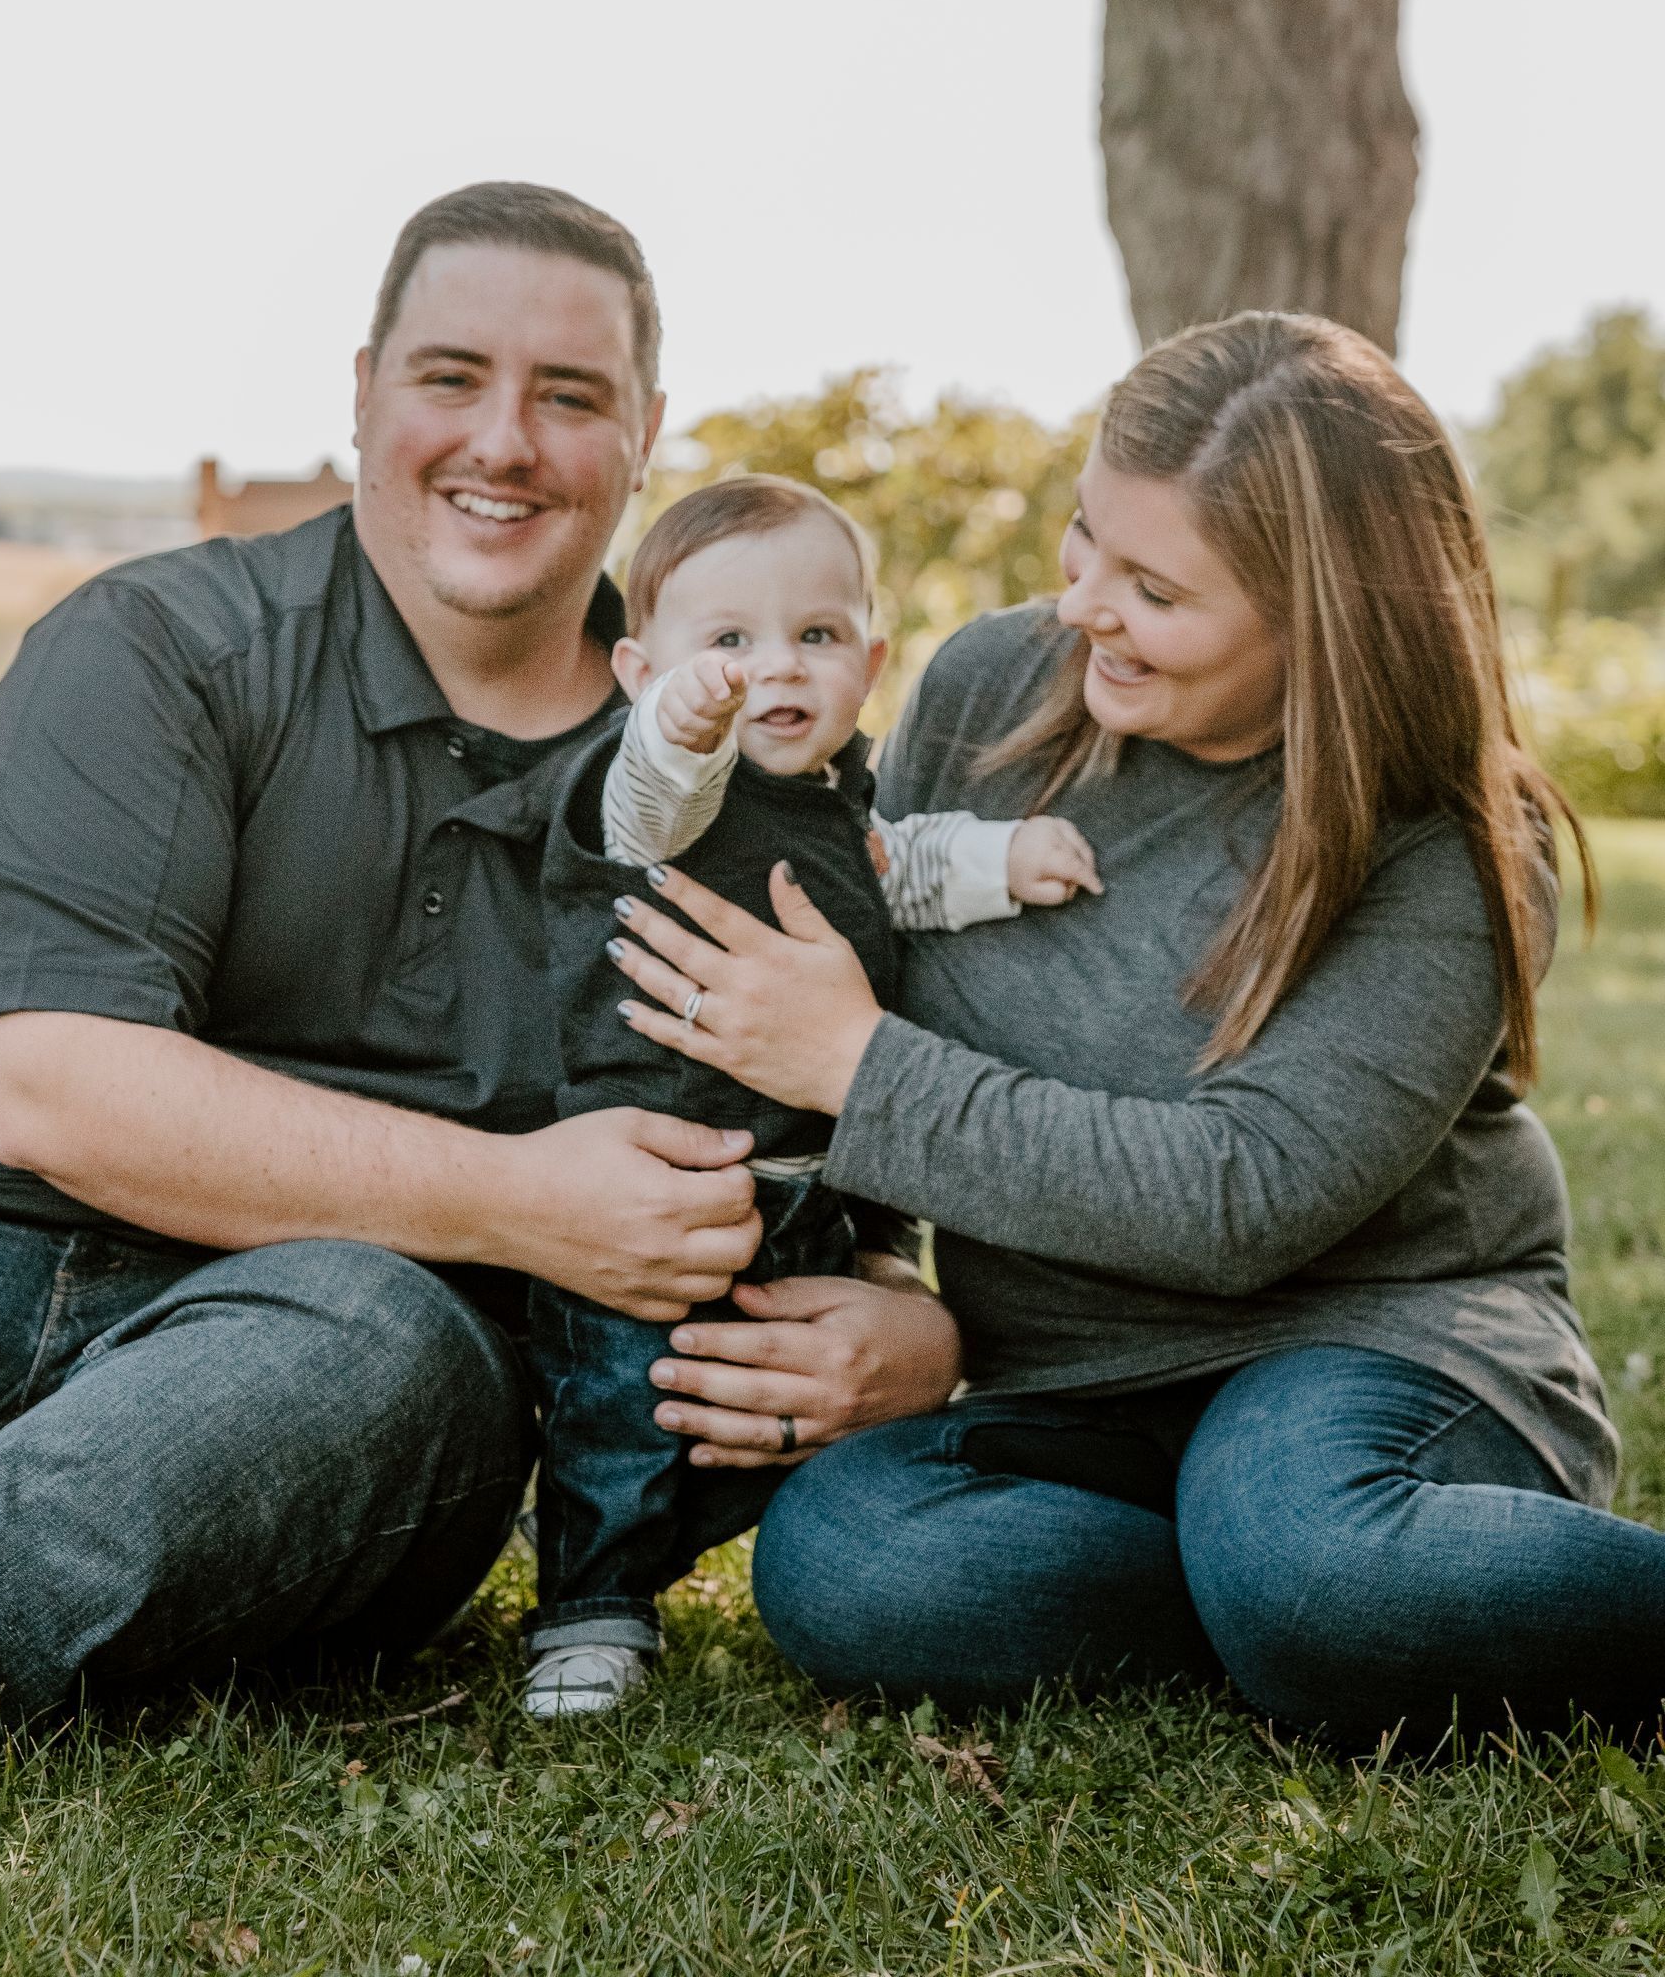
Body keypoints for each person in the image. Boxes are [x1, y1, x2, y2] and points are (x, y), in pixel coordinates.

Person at [0, 181, 961, 1764]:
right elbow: (48, 1085)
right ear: (367, 390)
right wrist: (523, 1199)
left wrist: (914, 1329)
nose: (504, 442)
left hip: (342, 1372)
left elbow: (822, 1108)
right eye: (452, 377)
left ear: (646, 430)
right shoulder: (163, 649)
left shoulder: (746, 769)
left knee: (369, 1352)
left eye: (569, 396)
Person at [609, 312, 1665, 1748]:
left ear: (1324, 625)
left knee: (1316, 1558)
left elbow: (1247, 1198)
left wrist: (856, 1066)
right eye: (1083, 542)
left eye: (1155, 587)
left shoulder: (1452, 842)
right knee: (847, 1561)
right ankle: (1294, 1607)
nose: (1084, 608)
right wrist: (893, 1293)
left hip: (1368, 1349)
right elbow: (867, 959)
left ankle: (1332, 1580)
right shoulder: (990, 688)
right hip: (1070, 1396)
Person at [522, 475, 1097, 1717]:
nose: (771, 668)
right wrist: (682, 723)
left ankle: (815, 1550)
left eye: (816, 638)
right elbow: (650, 789)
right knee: (624, 1396)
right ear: (640, 670)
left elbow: (910, 872)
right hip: (656, 1177)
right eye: (725, 642)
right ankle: (591, 1611)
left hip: (815, 1185)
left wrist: (1010, 858)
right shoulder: (663, 796)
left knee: (785, 1386)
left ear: (871, 660)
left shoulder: (849, 802)